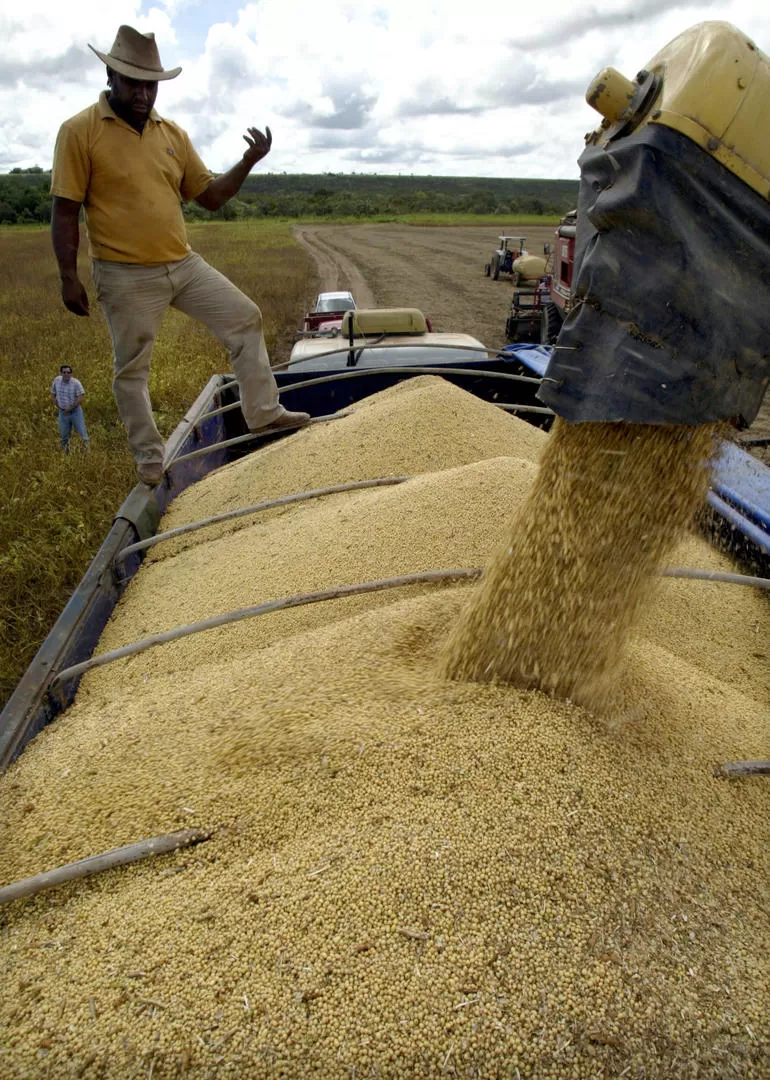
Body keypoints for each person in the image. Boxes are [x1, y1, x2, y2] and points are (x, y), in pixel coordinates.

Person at [49, 25, 309, 487]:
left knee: (245, 317)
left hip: (182, 263)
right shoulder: (79, 132)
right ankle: (151, 459)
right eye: (133, 82)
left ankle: (265, 414)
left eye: (151, 84)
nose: (143, 94)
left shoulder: (171, 134)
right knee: (132, 370)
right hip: (124, 272)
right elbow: (65, 209)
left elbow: (209, 197)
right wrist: (68, 276)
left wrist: (248, 162)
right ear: (111, 75)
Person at [51, 364, 89, 452]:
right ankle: (65, 455)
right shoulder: (57, 380)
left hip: (75, 412)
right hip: (62, 412)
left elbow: (81, 396)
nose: (66, 374)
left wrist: (71, 407)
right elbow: (53, 392)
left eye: (68, 372)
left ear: (71, 374)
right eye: (64, 372)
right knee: (64, 436)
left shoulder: (76, 383)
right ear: (61, 373)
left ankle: (87, 454)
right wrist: (55, 402)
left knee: (82, 435)